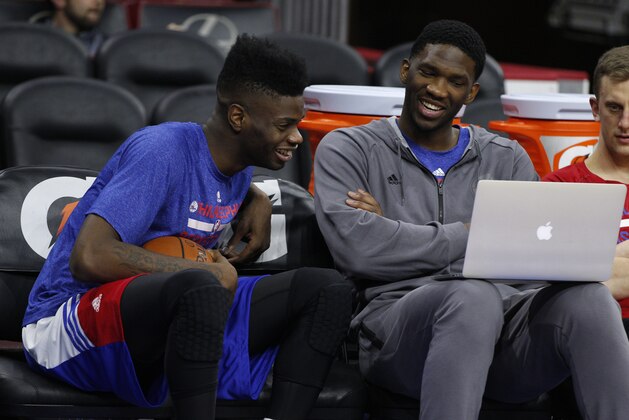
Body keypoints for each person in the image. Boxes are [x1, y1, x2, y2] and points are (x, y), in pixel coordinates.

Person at [22, 34, 353, 420]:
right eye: (285, 125)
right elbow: (90, 256)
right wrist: (205, 270)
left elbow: (208, 176)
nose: (297, 136)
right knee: (201, 285)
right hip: (67, 324)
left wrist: (257, 198)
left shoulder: (236, 163)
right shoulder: (160, 150)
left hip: (172, 318)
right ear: (238, 117)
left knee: (326, 289)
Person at [313, 19, 629, 420]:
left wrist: (395, 233)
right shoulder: (350, 148)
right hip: (399, 334)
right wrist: (476, 236)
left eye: (455, 81)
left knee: (591, 300)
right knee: (471, 295)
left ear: (471, 92)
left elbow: (533, 265)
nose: (438, 90)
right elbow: (359, 252)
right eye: (428, 72)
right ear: (406, 70)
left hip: (506, 334)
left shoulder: (507, 157)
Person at [543, 45, 629, 321]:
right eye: (615, 108)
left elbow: (580, 274)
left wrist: (594, 264)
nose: (625, 123)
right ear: (595, 108)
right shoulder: (558, 187)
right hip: (595, 330)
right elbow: (554, 286)